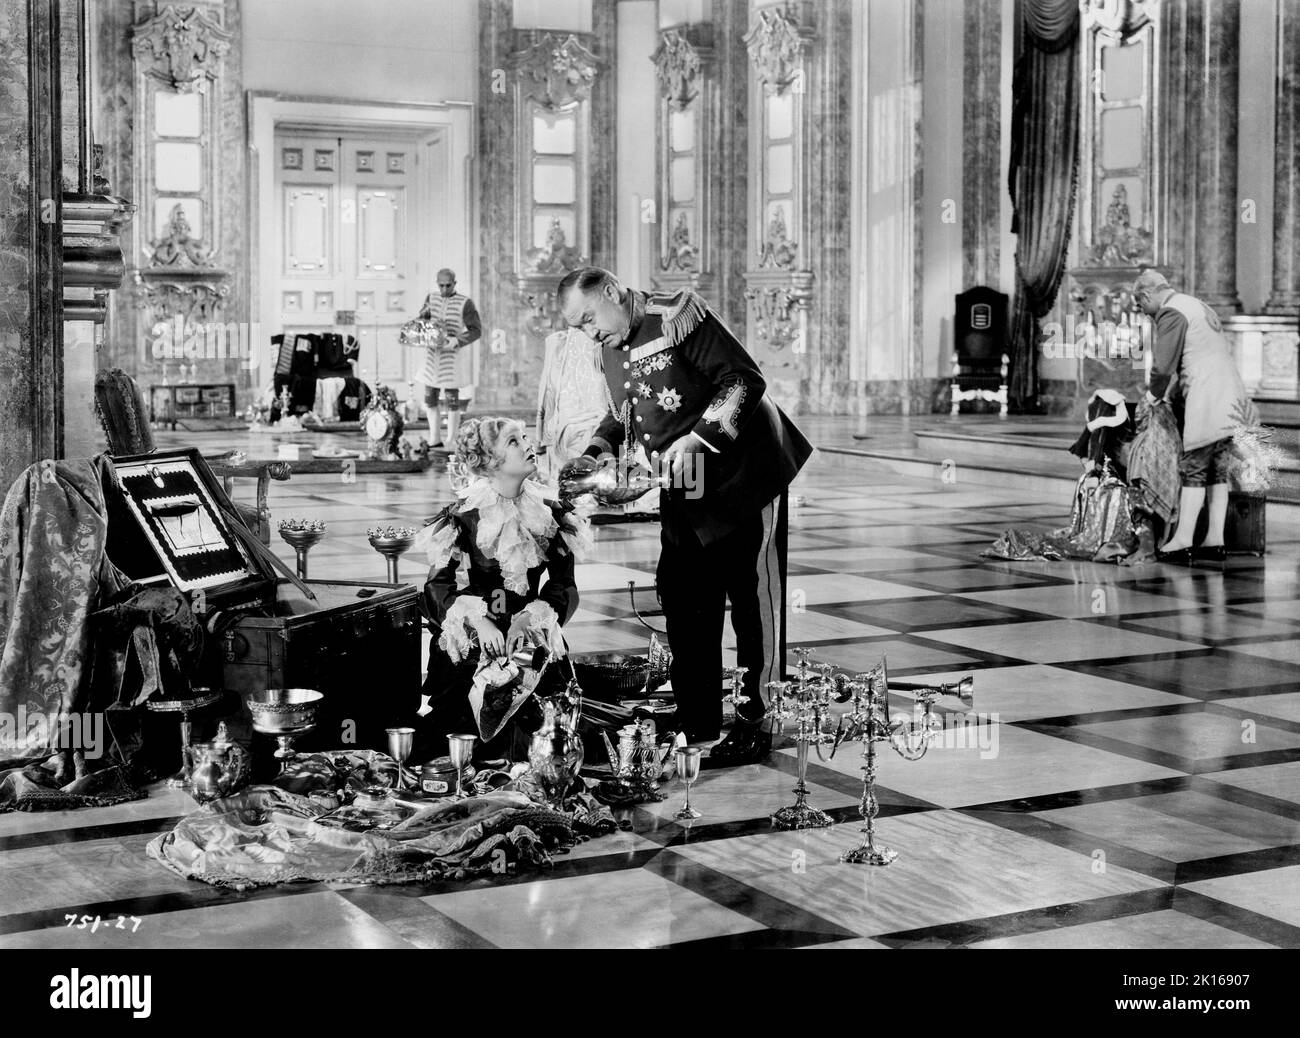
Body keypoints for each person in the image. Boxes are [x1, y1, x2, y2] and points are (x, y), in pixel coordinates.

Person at [557, 267, 813, 768]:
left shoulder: (676, 316)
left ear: (611, 292)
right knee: (682, 595)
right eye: (579, 327)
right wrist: (596, 449)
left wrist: (698, 439)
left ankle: (756, 717)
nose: (590, 332)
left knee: (751, 602)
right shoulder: (609, 346)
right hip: (683, 488)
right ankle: (698, 715)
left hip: (743, 477)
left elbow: (743, 381)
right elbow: (624, 413)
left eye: (590, 318)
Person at [413, 417, 592, 762]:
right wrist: (478, 622)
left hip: (528, 640)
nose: (528, 444)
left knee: (541, 721)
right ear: (490, 461)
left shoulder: (551, 512)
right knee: (465, 730)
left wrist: (529, 618)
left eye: (524, 436)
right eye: (513, 441)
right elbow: (436, 588)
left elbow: (563, 585)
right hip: (475, 644)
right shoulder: (461, 516)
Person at [1135, 269, 1250, 566]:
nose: (1143, 313)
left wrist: (1152, 397)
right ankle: (1215, 540)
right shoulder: (1196, 304)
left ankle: (1183, 540)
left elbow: (1163, 365)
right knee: (1217, 469)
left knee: (1195, 466)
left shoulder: (1171, 312)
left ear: (1147, 295)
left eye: (1140, 305)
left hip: (1207, 395)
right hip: (1230, 393)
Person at [414, 269, 481, 448]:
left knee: (452, 398)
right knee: (430, 397)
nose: (444, 289)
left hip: (451, 357)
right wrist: (424, 327)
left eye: (448, 285)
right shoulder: (431, 298)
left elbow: (476, 330)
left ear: (454, 283)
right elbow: (422, 320)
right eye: (441, 285)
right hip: (432, 356)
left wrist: (456, 340)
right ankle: (434, 438)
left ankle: (451, 440)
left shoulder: (465, 303)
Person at [535, 326, 608, 486]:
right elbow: (549, 393)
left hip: (602, 427)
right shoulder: (559, 345)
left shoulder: (607, 339)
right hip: (568, 430)